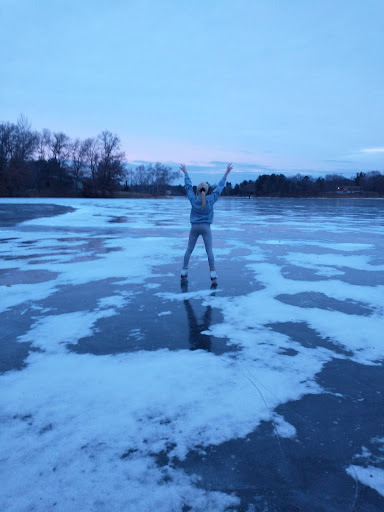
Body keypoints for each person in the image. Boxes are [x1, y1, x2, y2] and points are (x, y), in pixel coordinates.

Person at [180, 163, 233, 283]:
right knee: (209, 251)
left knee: (189, 249)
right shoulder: (211, 199)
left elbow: (188, 187)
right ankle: (213, 273)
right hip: (206, 228)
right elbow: (219, 187)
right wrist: (226, 173)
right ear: (207, 190)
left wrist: (186, 173)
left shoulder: (193, 199)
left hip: (194, 227)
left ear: (197, 190)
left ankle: (184, 271)